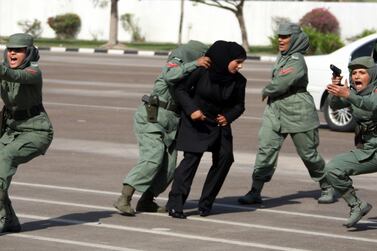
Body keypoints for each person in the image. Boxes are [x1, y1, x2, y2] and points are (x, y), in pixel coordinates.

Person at [238, 22, 335, 205]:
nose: (280, 40)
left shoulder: (296, 60)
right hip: (275, 110)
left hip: (298, 110)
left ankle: (326, 185)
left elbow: (283, 82)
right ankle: (255, 190)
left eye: (285, 37)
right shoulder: (282, 57)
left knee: (308, 154)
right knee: (266, 150)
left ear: (295, 38)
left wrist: (267, 90)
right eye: (279, 36)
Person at [113, 41, 210, 216]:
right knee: (153, 158)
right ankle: (124, 198)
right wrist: (194, 63)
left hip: (171, 123)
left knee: (169, 167)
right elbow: (169, 75)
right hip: (152, 118)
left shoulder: (192, 74)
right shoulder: (176, 63)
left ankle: (147, 200)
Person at [166, 40, 247, 219]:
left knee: (225, 159)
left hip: (219, 123)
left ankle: (206, 203)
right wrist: (192, 110)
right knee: (191, 160)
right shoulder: (202, 72)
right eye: (238, 62)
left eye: (242, 63)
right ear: (225, 59)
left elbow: (239, 105)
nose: (240, 67)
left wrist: (228, 116)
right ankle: (175, 204)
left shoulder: (239, 81)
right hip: (197, 122)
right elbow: (181, 90)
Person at [0, 33, 54, 233]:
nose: (13, 53)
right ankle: (9, 220)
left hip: (37, 131)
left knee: (5, 158)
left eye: (19, 50)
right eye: (10, 49)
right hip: (11, 130)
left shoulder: (34, 72)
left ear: (29, 53)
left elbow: (16, 76)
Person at [324, 56, 377, 228]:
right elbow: (336, 106)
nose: (357, 76)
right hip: (369, 150)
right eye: (354, 73)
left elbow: (372, 105)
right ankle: (357, 205)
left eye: (362, 72)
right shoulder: (352, 91)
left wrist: (348, 95)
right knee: (333, 168)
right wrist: (336, 90)